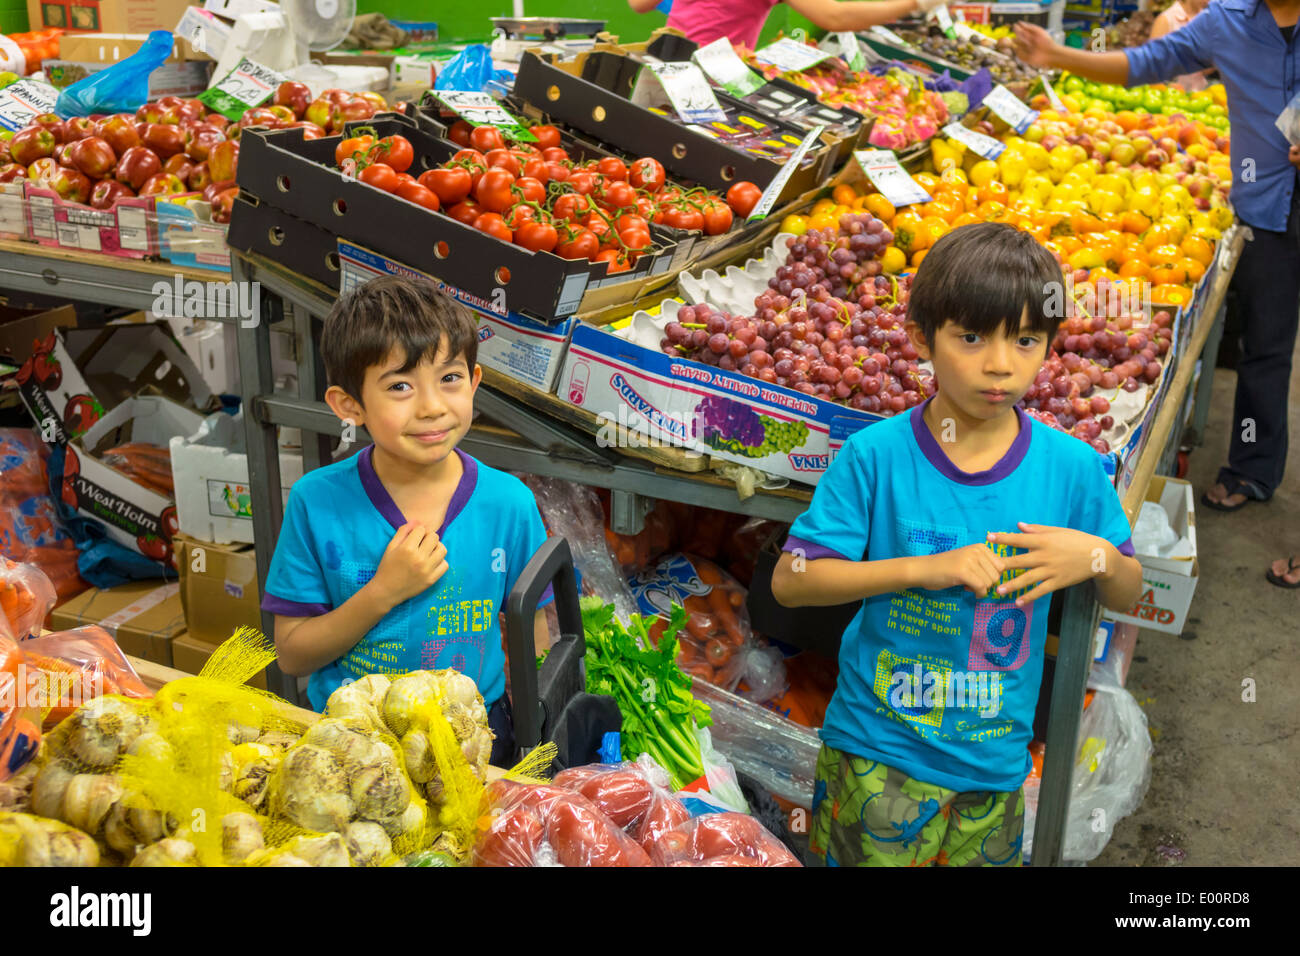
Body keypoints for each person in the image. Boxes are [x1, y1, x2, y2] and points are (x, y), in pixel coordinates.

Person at [770, 224, 1143, 867]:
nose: (999, 364)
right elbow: (793, 579)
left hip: (995, 767)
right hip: (876, 755)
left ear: (1049, 344)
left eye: (1025, 341)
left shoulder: (1072, 469)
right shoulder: (877, 456)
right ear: (921, 336)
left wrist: (1094, 557)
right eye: (970, 337)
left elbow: (1131, 586)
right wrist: (923, 568)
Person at [1013, 2, 1300, 515]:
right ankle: (1253, 469)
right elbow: (1143, 63)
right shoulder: (1228, 21)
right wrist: (1056, 54)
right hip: (1268, 212)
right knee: (1266, 347)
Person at [261, 276, 551, 765]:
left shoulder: (509, 504)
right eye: (400, 386)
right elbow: (292, 655)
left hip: (478, 735)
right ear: (349, 405)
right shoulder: (317, 502)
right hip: (354, 738)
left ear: (475, 382)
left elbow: (533, 637)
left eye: (450, 379)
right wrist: (384, 591)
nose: (433, 406)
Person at [627, 0, 949, 52]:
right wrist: (915, 4)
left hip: (663, 63)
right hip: (712, 85)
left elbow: (637, 5)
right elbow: (834, 18)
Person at [1148, 0, 1212, 90]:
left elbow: (1203, 69)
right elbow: (1151, 68)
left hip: (1200, 94)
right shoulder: (1166, 20)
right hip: (1171, 97)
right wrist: (1167, 88)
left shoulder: (1206, 19)